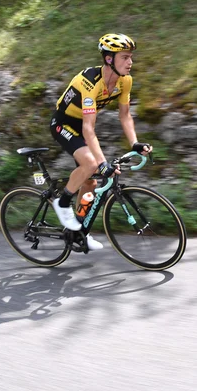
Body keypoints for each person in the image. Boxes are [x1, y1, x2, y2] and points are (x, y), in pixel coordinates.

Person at [49, 33, 152, 249]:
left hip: (82, 128)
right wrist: (102, 162)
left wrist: (134, 143)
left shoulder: (125, 81)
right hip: (64, 124)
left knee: (90, 182)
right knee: (92, 164)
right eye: (124, 57)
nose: (130, 62)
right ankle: (63, 201)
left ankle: (77, 231)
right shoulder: (89, 82)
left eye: (131, 57)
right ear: (108, 59)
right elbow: (88, 128)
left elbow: (125, 116)